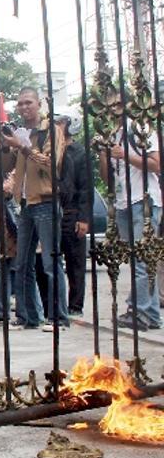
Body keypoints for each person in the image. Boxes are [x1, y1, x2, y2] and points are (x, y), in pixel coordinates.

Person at [3, 87, 70, 332]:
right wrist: (6, 145)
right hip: (25, 203)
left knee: (52, 263)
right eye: (20, 103)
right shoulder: (23, 133)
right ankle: (28, 317)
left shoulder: (50, 130)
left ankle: (59, 318)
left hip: (46, 201)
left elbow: (52, 164)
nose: (24, 107)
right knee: (22, 264)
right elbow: (6, 165)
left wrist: (24, 148)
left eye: (28, 102)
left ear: (39, 104)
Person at [99, 122, 162, 331]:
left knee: (142, 260)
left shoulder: (141, 129)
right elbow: (107, 178)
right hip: (123, 202)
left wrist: (124, 154)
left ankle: (138, 312)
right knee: (138, 261)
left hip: (144, 200)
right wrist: (103, 153)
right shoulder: (111, 135)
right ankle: (151, 315)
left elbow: (156, 164)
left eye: (117, 104)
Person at [60, 118, 90, 317]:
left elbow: (86, 188)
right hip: (53, 210)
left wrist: (84, 218)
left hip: (73, 212)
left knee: (75, 263)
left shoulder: (79, 153)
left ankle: (75, 305)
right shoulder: (51, 150)